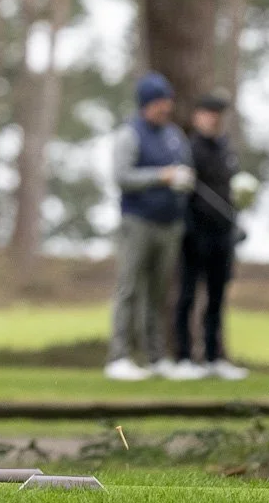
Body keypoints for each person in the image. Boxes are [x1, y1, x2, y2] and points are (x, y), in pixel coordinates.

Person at [104, 71, 194, 382]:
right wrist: (161, 176)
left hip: (169, 224)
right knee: (129, 288)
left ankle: (156, 358)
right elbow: (122, 177)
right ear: (146, 104)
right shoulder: (130, 134)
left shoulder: (173, 135)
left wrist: (182, 180)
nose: (165, 107)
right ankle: (119, 357)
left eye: (168, 101)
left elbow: (185, 169)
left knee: (157, 294)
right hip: (137, 222)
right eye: (159, 102)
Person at [169, 93, 249, 381]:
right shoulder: (188, 149)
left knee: (216, 297)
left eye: (218, 114)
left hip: (222, 233)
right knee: (188, 295)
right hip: (194, 233)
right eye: (209, 112)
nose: (214, 118)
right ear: (197, 116)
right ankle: (184, 357)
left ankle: (214, 357)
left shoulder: (226, 149)